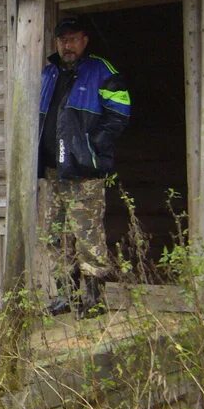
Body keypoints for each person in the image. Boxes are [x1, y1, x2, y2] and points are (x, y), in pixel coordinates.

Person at [37, 16, 130, 318]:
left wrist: (91, 149)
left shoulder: (102, 71)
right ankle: (67, 295)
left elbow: (120, 113)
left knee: (88, 235)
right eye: (63, 39)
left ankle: (94, 299)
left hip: (84, 173)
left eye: (73, 38)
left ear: (85, 40)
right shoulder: (48, 73)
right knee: (55, 236)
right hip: (53, 173)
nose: (67, 44)